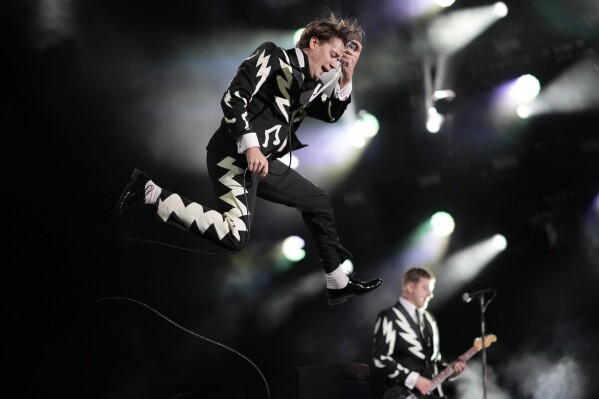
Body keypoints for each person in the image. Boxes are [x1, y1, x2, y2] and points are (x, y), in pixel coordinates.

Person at [115, 14, 381, 305]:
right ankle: (149, 192)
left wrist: (346, 76)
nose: (332, 63)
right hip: (231, 155)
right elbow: (232, 98)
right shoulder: (272, 55)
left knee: (317, 200)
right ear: (313, 42)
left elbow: (331, 114)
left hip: (261, 164)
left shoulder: (312, 83)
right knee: (234, 237)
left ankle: (337, 282)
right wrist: (250, 145)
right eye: (332, 55)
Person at [372, 268, 466, 399]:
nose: (430, 294)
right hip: (401, 394)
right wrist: (413, 379)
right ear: (410, 286)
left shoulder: (430, 319)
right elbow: (380, 358)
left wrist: (451, 371)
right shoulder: (390, 316)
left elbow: (434, 362)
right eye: (425, 288)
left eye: (431, 289)